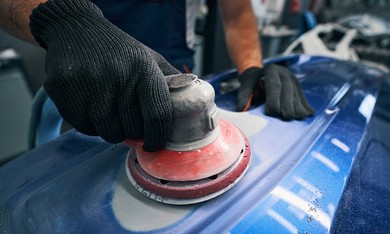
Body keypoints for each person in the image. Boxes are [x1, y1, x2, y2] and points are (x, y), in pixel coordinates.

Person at [0, 0, 314, 152]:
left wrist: (251, 67)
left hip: (177, 77)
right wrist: (61, 20)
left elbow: (237, 13)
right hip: (90, 79)